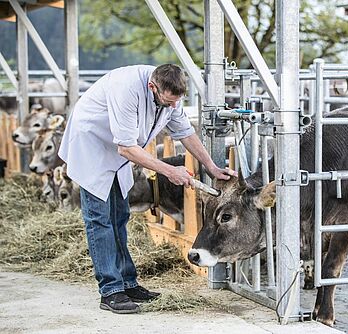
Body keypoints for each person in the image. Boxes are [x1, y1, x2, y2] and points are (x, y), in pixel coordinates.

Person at [58, 64, 234, 314]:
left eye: (177, 101)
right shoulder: (126, 90)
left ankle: (128, 284)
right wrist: (170, 171)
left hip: (118, 150)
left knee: (120, 216)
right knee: (100, 219)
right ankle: (110, 290)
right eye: (168, 102)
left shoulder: (169, 93)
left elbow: (185, 132)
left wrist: (212, 167)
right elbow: (126, 147)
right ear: (153, 87)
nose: (173, 107)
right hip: (92, 145)